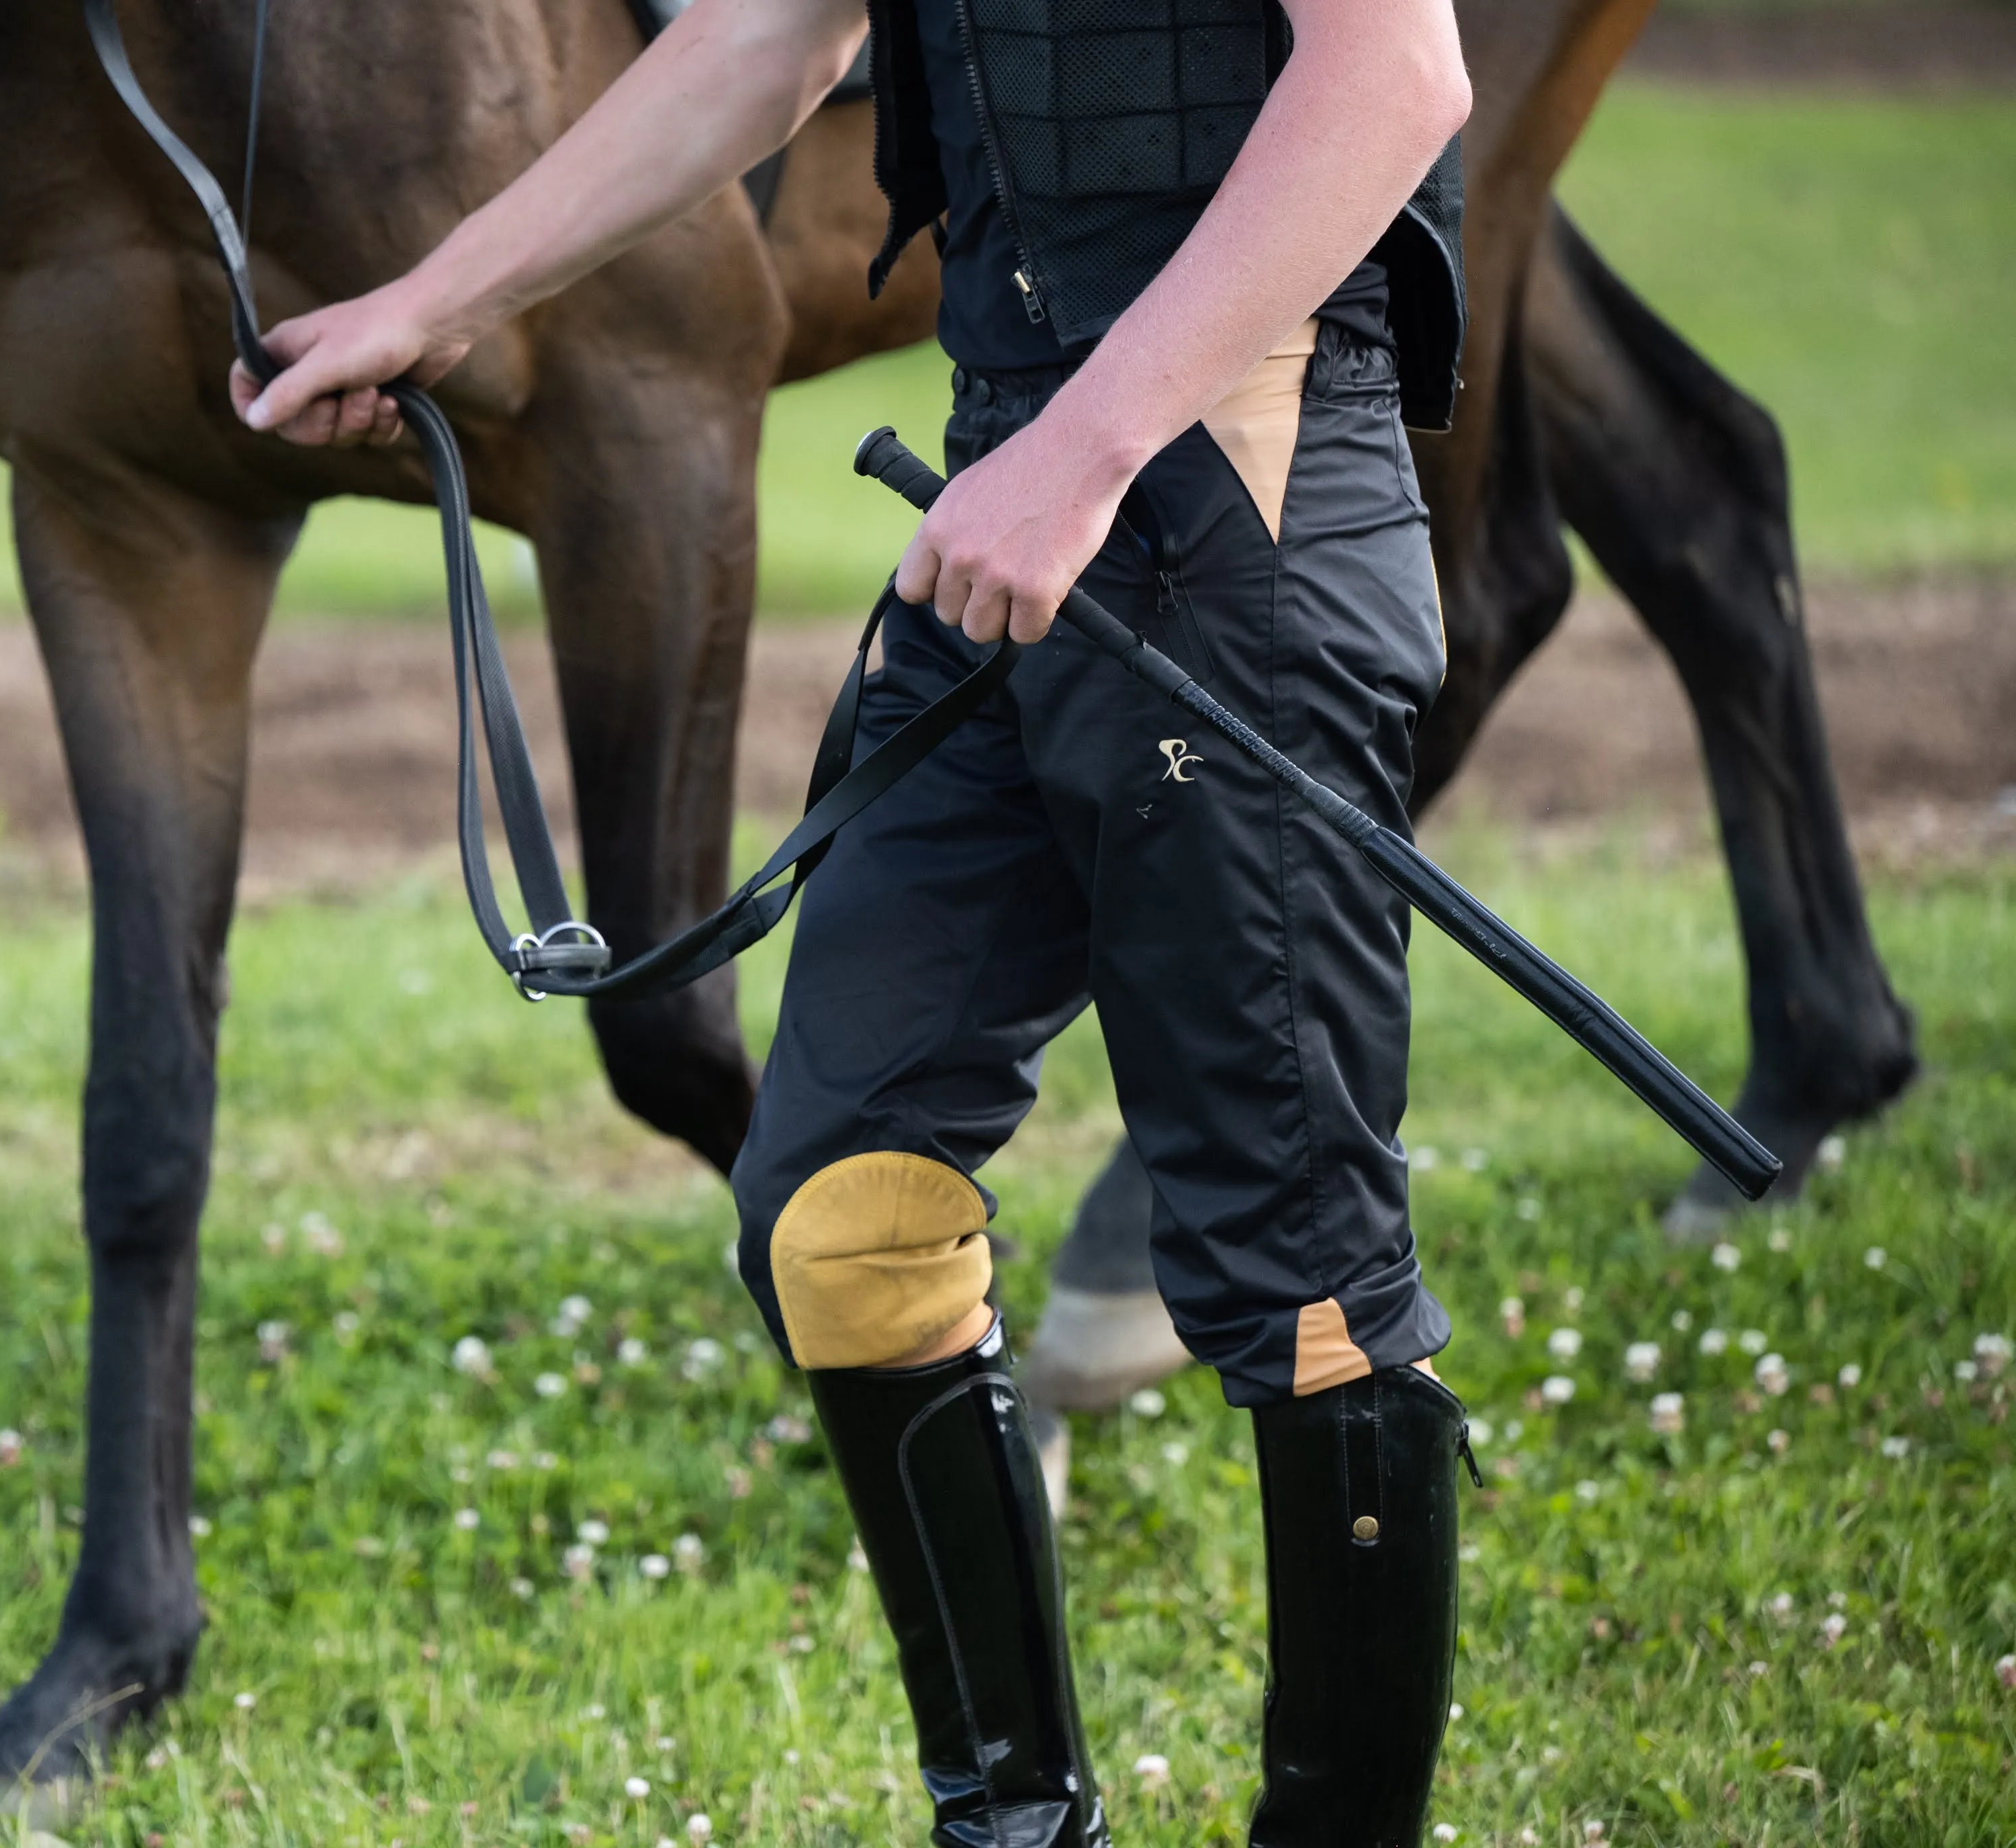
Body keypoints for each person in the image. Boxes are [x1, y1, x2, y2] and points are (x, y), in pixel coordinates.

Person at [238, 0, 1476, 1839]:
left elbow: (1397, 76)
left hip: (1240, 508)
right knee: (836, 1214)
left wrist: (1091, 450)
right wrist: (442, 295)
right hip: (1002, 510)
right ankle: (1017, 1828)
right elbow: (763, 36)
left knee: (1303, 1285)